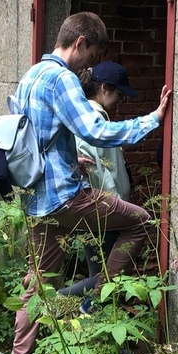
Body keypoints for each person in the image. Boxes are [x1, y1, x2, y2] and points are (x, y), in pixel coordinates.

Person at [9, 12, 171, 354]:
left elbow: (32, 138)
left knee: (37, 287)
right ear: (79, 43)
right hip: (66, 197)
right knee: (141, 221)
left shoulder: (31, 76)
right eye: (92, 55)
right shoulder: (61, 78)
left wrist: (69, 161)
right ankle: (95, 299)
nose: (91, 66)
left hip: (36, 199)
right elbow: (95, 130)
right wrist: (152, 120)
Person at [60, 61, 137, 298]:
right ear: (104, 88)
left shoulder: (82, 118)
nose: (120, 101)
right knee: (113, 276)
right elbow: (104, 175)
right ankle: (58, 298)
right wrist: (121, 210)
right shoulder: (98, 123)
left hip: (88, 210)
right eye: (118, 94)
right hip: (105, 212)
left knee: (101, 275)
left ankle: (89, 320)